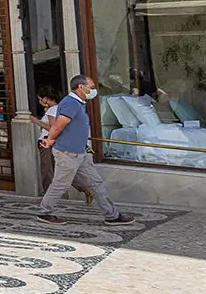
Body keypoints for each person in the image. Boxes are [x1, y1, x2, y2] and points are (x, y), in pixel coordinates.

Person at [39, 75, 135, 226]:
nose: (94, 90)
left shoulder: (78, 103)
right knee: (60, 184)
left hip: (79, 152)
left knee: (95, 183)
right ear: (80, 87)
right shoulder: (71, 103)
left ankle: (112, 215)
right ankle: (45, 212)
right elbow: (58, 125)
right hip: (68, 152)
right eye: (91, 87)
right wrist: (50, 139)